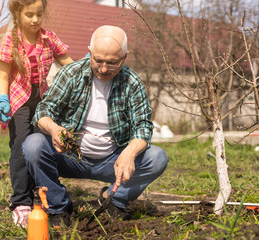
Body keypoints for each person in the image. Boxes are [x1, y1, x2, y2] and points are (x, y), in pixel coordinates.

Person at [22, 25, 168, 227]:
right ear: (89, 51)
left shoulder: (132, 82)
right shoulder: (71, 74)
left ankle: (113, 200)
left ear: (125, 57)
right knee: (33, 145)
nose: (103, 68)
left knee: (157, 157)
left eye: (112, 62)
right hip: (70, 156)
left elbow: (143, 126)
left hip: (112, 163)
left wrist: (130, 153)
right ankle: (59, 207)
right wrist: (55, 129)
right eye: (97, 60)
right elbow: (43, 111)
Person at [0, 0, 73, 228]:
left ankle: (43, 195)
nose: (35, 20)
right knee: (20, 146)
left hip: (42, 99)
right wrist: (2, 98)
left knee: (40, 146)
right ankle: (21, 202)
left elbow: (69, 64)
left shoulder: (49, 38)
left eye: (39, 14)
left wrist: (87, 68)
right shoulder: (11, 39)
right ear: (18, 12)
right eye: (30, 15)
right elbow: (4, 76)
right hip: (19, 99)